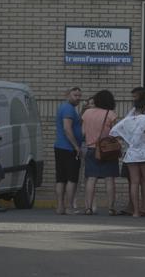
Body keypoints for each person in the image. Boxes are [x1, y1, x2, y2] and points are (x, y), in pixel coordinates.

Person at [110, 94, 145, 218]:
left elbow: (113, 132)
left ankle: (135, 211)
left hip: (131, 154)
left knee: (134, 182)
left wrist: (126, 138)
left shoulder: (128, 120)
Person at [82, 90, 119, 215]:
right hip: (107, 150)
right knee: (109, 179)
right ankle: (111, 208)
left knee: (91, 178)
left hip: (91, 149)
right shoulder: (111, 114)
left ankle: (88, 207)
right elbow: (115, 133)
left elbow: (83, 132)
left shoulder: (86, 113)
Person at [54, 87, 84, 215]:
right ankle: (69, 207)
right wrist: (76, 147)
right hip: (68, 149)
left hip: (60, 147)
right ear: (67, 95)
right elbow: (67, 129)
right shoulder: (68, 109)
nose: (78, 98)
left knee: (61, 178)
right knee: (71, 178)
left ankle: (60, 207)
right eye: (75, 95)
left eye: (79, 96)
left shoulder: (68, 109)